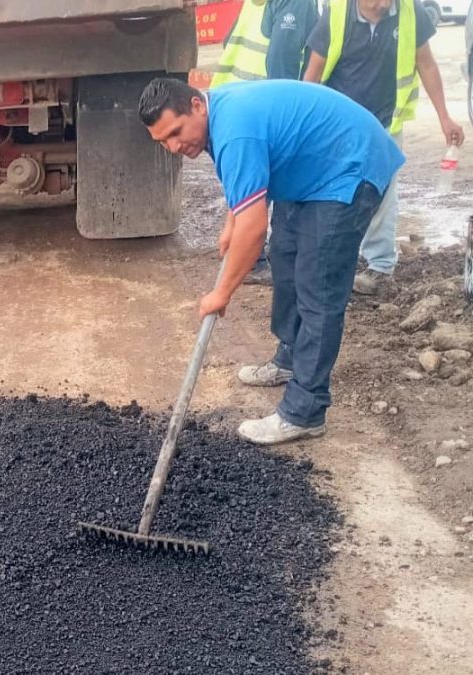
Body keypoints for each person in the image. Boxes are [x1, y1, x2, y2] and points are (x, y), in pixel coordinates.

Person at [139, 78, 404, 445]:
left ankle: (305, 411)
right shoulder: (216, 119)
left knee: (319, 288)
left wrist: (222, 292)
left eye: (175, 133)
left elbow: (254, 229)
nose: (173, 147)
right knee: (286, 258)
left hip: (347, 166)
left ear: (197, 106)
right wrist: (233, 217)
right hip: (309, 169)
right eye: (163, 141)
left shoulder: (234, 132)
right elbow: (247, 186)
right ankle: (289, 359)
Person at [303, 0, 465, 296]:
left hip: (386, 123)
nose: (386, 3)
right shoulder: (337, 14)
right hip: (341, 125)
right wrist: (305, 125)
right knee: (338, 194)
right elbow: (312, 73)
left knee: (382, 194)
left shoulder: (408, 11)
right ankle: (333, 263)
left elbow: (425, 62)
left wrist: (444, 117)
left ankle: (379, 266)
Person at [211, 0, 320, 286]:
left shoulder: (256, 3)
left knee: (247, 184)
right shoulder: (296, 4)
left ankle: (249, 254)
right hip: (263, 111)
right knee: (265, 186)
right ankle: (256, 259)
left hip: (235, 103)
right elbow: (282, 58)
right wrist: (286, 114)